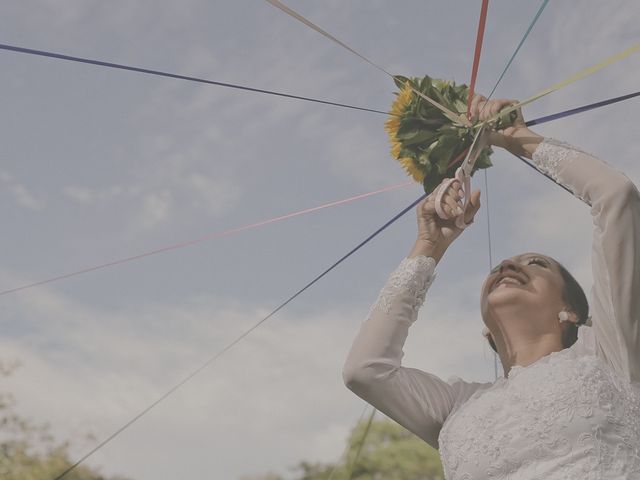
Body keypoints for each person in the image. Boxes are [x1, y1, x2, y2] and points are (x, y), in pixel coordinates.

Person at [343, 96, 640, 479]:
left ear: (572, 313)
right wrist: (430, 247)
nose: (509, 265)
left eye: (537, 263)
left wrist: (518, 138)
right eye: (501, 267)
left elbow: (616, 197)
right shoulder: (456, 405)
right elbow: (365, 371)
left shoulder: (607, 350)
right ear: (486, 329)